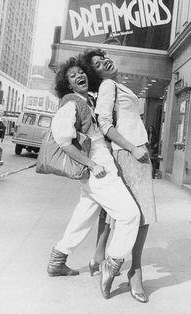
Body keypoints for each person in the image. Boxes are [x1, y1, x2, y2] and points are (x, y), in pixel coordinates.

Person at [47, 57, 141, 300]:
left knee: (83, 216)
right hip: (98, 167)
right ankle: (112, 263)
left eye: (81, 72)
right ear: (67, 85)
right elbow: (62, 140)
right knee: (130, 215)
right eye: (72, 76)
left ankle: (58, 260)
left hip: (99, 164)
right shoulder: (71, 103)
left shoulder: (86, 99)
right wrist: (91, 164)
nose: (79, 76)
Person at [81, 48, 157, 303]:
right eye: (98, 64)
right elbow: (104, 123)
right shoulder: (107, 86)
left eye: (104, 58)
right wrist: (133, 148)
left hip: (138, 153)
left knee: (129, 215)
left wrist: (141, 148)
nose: (104, 62)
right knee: (135, 216)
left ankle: (109, 262)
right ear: (96, 74)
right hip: (128, 154)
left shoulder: (117, 85)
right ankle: (128, 270)